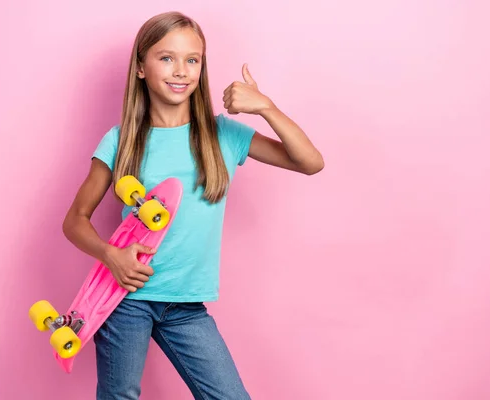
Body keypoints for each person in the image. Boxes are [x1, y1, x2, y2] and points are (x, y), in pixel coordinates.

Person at [62, 10, 324, 400]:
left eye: (192, 59)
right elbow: (75, 220)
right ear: (140, 68)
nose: (181, 70)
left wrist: (265, 107)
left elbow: (310, 162)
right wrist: (110, 255)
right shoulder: (121, 141)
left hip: (185, 306)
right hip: (125, 299)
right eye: (166, 58)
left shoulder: (223, 135)